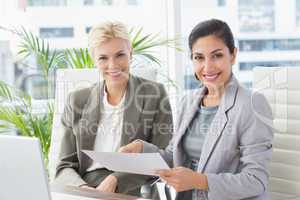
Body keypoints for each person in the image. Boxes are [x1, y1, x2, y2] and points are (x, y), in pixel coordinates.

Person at [119, 19, 274, 200]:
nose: (207, 67)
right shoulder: (189, 100)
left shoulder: (251, 103)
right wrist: (142, 149)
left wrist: (200, 181)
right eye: (199, 57)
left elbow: (256, 181)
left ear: (233, 55)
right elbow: (174, 157)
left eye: (217, 55)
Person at [54, 21, 173, 196]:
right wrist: (84, 191)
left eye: (120, 55)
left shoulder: (154, 94)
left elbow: (162, 157)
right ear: (94, 59)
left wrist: (116, 179)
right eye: (103, 58)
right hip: (85, 188)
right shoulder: (77, 100)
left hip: (133, 187)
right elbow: (64, 165)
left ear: (130, 54)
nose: (113, 65)